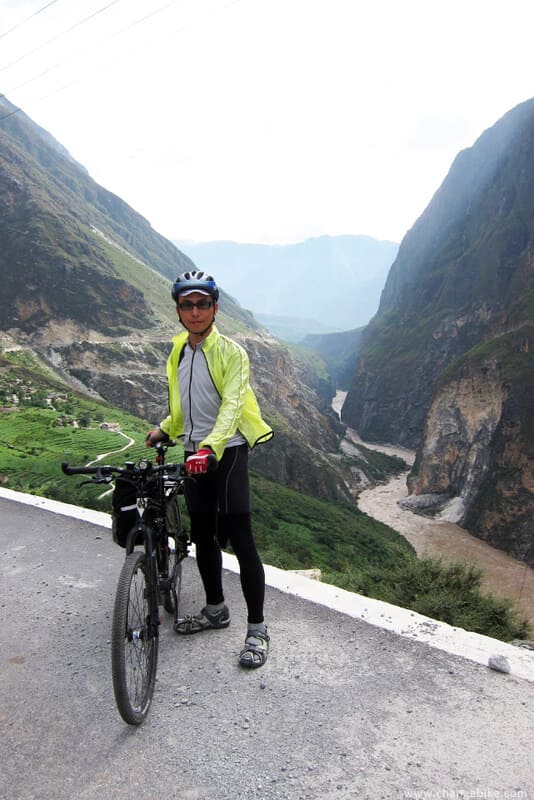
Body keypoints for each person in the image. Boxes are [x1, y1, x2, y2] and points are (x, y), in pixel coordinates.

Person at [146, 270, 273, 668]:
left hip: (228, 453)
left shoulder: (232, 353)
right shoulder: (178, 351)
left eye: (203, 303)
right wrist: (166, 429)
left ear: (215, 308)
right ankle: (216, 609)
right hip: (194, 452)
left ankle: (257, 629)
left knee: (241, 538)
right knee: (203, 535)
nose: (196, 311)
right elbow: (185, 406)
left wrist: (210, 447)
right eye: (188, 304)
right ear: (179, 310)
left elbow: (232, 407)